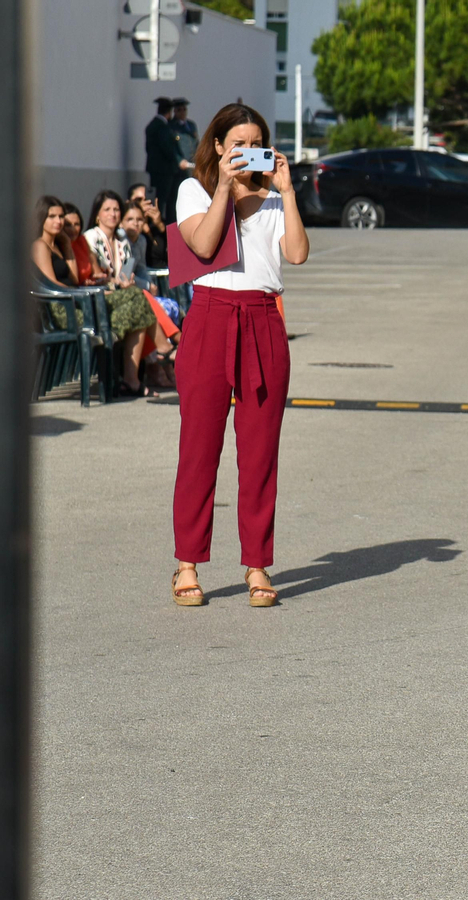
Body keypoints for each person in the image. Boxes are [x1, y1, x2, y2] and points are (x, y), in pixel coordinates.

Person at [170, 102, 309, 608]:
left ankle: (257, 565)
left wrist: (287, 192)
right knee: (199, 448)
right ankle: (187, 563)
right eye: (238, 144)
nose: (248, 152)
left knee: (259, 454)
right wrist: (227, 188)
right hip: (209, 317)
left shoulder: (274, 200)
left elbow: (296, 255)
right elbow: (204, 246)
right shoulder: (194, 190)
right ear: (217, 147)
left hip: (263, 319)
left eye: (257, 143)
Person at [83, 190, 165, 397]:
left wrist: (129, 282)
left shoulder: (122, 240)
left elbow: (128, 273)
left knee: (140, 303)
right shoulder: (90, 239)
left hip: (123, 296)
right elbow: (95, 277)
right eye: (107, 210)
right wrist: (118, 282)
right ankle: (165, 348)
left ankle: (132, 379)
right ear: (97, 215)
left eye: (116, 209)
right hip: (100, 299)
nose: (113, 214)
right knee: (141, 298)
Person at [145, 97, 187, 223]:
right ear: (169, 112)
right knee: (166, 202)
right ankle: (163, 228)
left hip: (156, 170)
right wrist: (179, 161)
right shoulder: (162, 127)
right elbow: (168, 149)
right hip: (165, 172)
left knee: (158, 201)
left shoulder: (152, 125)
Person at [32, 196, 77, 288]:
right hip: (59, 299)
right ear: (42, 218)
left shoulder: (59, 245)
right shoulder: (40, 246)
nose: (58, 221)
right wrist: (79, 294)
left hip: (71, 295)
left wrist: (67, 245)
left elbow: (75, 280)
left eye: (61, 216)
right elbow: (51, 283)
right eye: (52, 216)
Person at [171, 97, 199, 164]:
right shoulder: (171, 126)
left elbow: (196, 142)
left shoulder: (191, 125)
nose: (182, 112)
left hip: (192, 162)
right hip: (180, 164)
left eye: (184, 109)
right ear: (174, 111)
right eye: (179, 110)